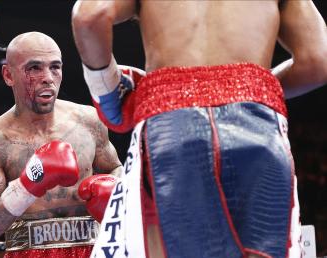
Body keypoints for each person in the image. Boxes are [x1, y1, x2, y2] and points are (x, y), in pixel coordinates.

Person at [72, 1, 327, 258]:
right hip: (259, 128)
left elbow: (90, 16)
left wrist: (105, 87)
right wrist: (247, 89)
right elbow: (318, 61)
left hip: (172, 126)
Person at [0, 31, 122, 258]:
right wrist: (27, 188)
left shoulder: (89, 121)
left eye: (55, 67)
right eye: (34, 68)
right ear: (8, 75)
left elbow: (116, 168)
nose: (48, 77)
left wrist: (114, 189)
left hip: (96, 250)